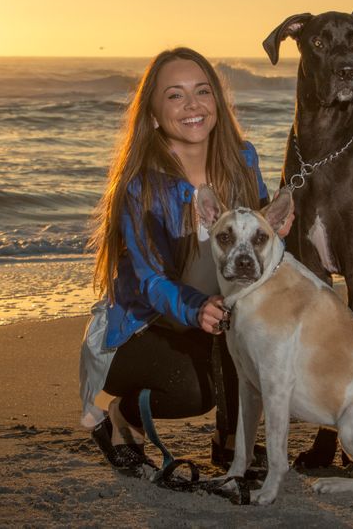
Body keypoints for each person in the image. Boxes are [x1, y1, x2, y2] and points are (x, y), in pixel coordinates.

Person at [85, 47, 282, 474]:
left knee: (260, 343)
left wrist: (278, 229)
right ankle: (121, 416)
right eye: (175, 96)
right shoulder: (141, 187)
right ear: (153, 112)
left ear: (216, 102)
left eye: (202, 91)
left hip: (210, 317)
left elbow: (259, 231)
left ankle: (233, 443)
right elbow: (149, 278)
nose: (192, 105)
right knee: (193, 392)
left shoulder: (243, 159)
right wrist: (194, 307)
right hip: (141, 329)